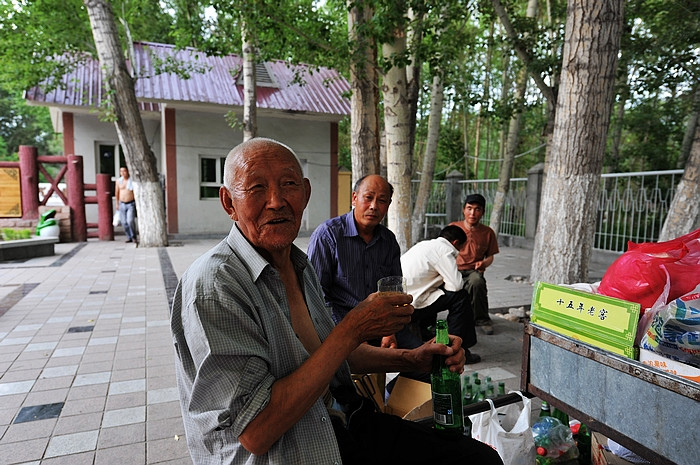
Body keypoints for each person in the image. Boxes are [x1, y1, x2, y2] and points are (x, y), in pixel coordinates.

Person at [170, 138, 503, 465]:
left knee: (481, 458)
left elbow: (327, 351)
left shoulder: (298, 264)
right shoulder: (215, 285)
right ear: (229, 203)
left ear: (305, 194)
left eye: (289, 184)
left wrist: (412, 358)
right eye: (256, 188)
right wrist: (353, 327)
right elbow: (256, 432)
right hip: (290, 447)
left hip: (345, 416)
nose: (276, 201)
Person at [307, 174, 428, 386]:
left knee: (426, 362)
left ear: (388, 205)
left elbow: (394, 291)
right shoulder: (328, 235)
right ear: (354, 198)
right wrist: (353, 331)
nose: (373, 206)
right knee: (345, 383)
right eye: (368, 198)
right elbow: (317, 298)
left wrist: (389, 331)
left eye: (381, 200)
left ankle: (391, 400)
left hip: (382, 325)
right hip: (340, 327)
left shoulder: (388, 241)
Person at [400, 225, 480, 364]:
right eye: (461, 247)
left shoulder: (425, 244)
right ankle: (458, 349)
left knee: (437, 290)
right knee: (460, 298)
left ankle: (425, 330)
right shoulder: (445, 250)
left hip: (403, 300)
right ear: (455, 243)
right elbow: (456, 285)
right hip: (413, 305)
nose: (459, 251)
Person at [450, 193, 499, 335]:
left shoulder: (488, 233)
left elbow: (490, 256)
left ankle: (482, 319)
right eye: (469, 208)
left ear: (482, 212)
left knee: (477, 282)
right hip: (452, 269)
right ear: (464, 210)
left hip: (473, 271)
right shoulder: (453, 228)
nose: (473, 213)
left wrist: (484, 263)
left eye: (477, 209)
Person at [115, 165, 137, 243]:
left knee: (130, 220)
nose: (123, 173)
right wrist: (117, 203)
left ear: (127, 171)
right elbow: (117, 193)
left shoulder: (132, 181)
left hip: (130, 203)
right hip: (122, 203)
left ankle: (134, 236)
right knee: (123, 222)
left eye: (124, 171)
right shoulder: (118, 181)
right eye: (121, 171)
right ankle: (129, 236)